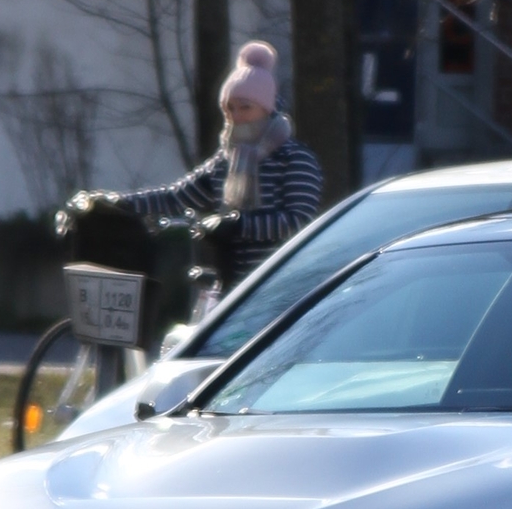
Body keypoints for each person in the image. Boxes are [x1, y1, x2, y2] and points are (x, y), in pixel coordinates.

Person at [58, 41, 325, 313]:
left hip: (281, 288)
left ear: (267, 109)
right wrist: (116, 202)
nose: (236, 117)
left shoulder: (294, 158)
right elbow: (177, 195)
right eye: (229, 109)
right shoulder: (226, 160)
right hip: (233, 285)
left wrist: (238, 225)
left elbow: (299, 222)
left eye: (245, 107)